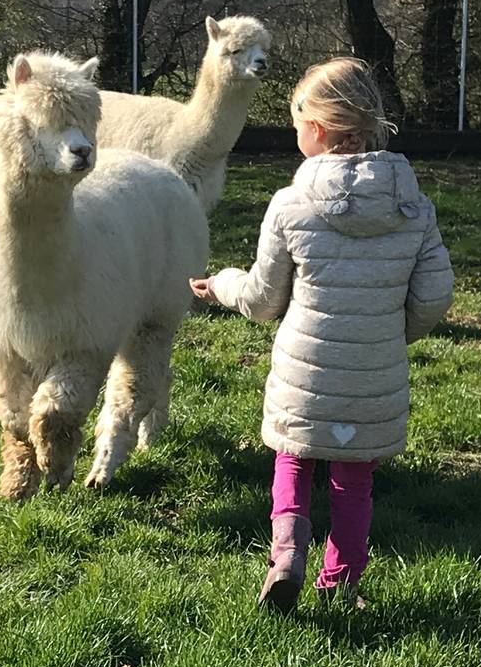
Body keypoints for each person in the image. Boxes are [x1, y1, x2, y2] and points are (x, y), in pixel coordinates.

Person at [192, 58, 452, 612]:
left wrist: (221, 285)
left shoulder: (290, 206)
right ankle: (341, 584)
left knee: (292, 458)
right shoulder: (414, 209)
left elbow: (264, 299)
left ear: (316, 130)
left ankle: (286, 555)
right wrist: (386, 332)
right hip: (374, 374)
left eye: (295, 125)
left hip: (302, 371)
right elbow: (433, 297)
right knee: (355, 481)